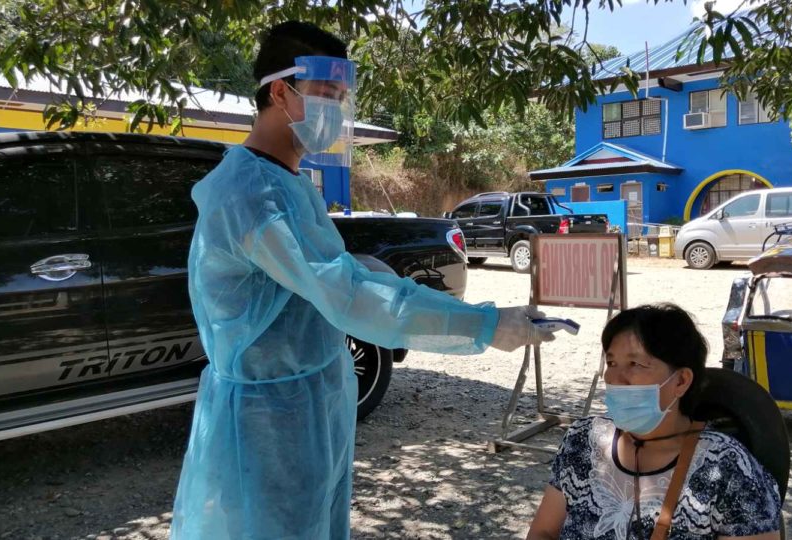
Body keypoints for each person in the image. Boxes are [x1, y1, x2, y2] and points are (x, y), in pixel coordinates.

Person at [170, 21, 553, 540]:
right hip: (269, 424)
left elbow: (315, 279)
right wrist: (482, 324)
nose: (337, 111)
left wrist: (366, 270)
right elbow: (343, 292)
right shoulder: (250, 192)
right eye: (328, 95)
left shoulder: (286, 184)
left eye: (342, 97)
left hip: (308, 408)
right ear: (281, 92)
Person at [527, 304, 781, 540]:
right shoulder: (583, 440)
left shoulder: (727, 467)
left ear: (680, 381)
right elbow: (543, 532)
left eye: (635, 363)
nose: (615, 376)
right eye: (611, 362)